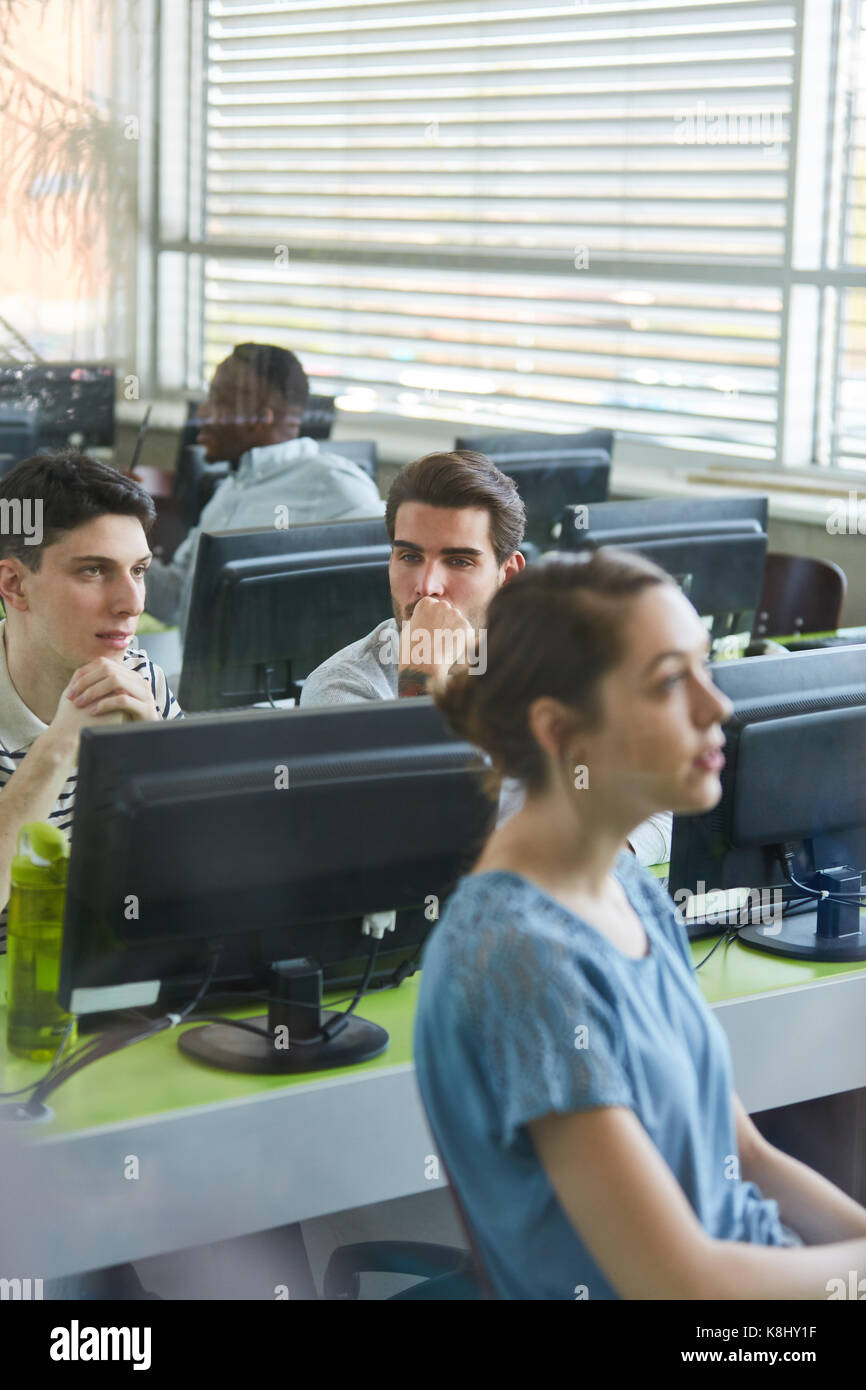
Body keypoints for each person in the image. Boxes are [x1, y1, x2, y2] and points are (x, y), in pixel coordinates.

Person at [413, 550, 866, 1300]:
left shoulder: (627, 886)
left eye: (703, 668)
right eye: (667, 682)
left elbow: (744, 1156)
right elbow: (681, 1285)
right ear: (562, 733)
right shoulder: (522, 957)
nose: (716, 706)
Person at [301, 449, 670, 866]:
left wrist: (590, 863)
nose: (427, 586)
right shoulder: (342, 690)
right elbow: (413, 841)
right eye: (409, 556)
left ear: (507, 575)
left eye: (458, 560)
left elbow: (656, 801)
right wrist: (422, 676)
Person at [0, 450, 181, 944]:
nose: (132, 604)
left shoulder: (141, 676)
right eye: (94, 571)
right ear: (14, 584)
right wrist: (61, 744)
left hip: (113, 981)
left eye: (139, 570)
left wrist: (151, 749)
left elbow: (195, 872)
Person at [144, 343, 385, 635]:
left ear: (260, 418)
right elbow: (175, 600)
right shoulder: (231, 489)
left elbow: (380, 600)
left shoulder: (334, 483)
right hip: (199, 674)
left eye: (217, 400)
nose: (203, 414)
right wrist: (119, 542)